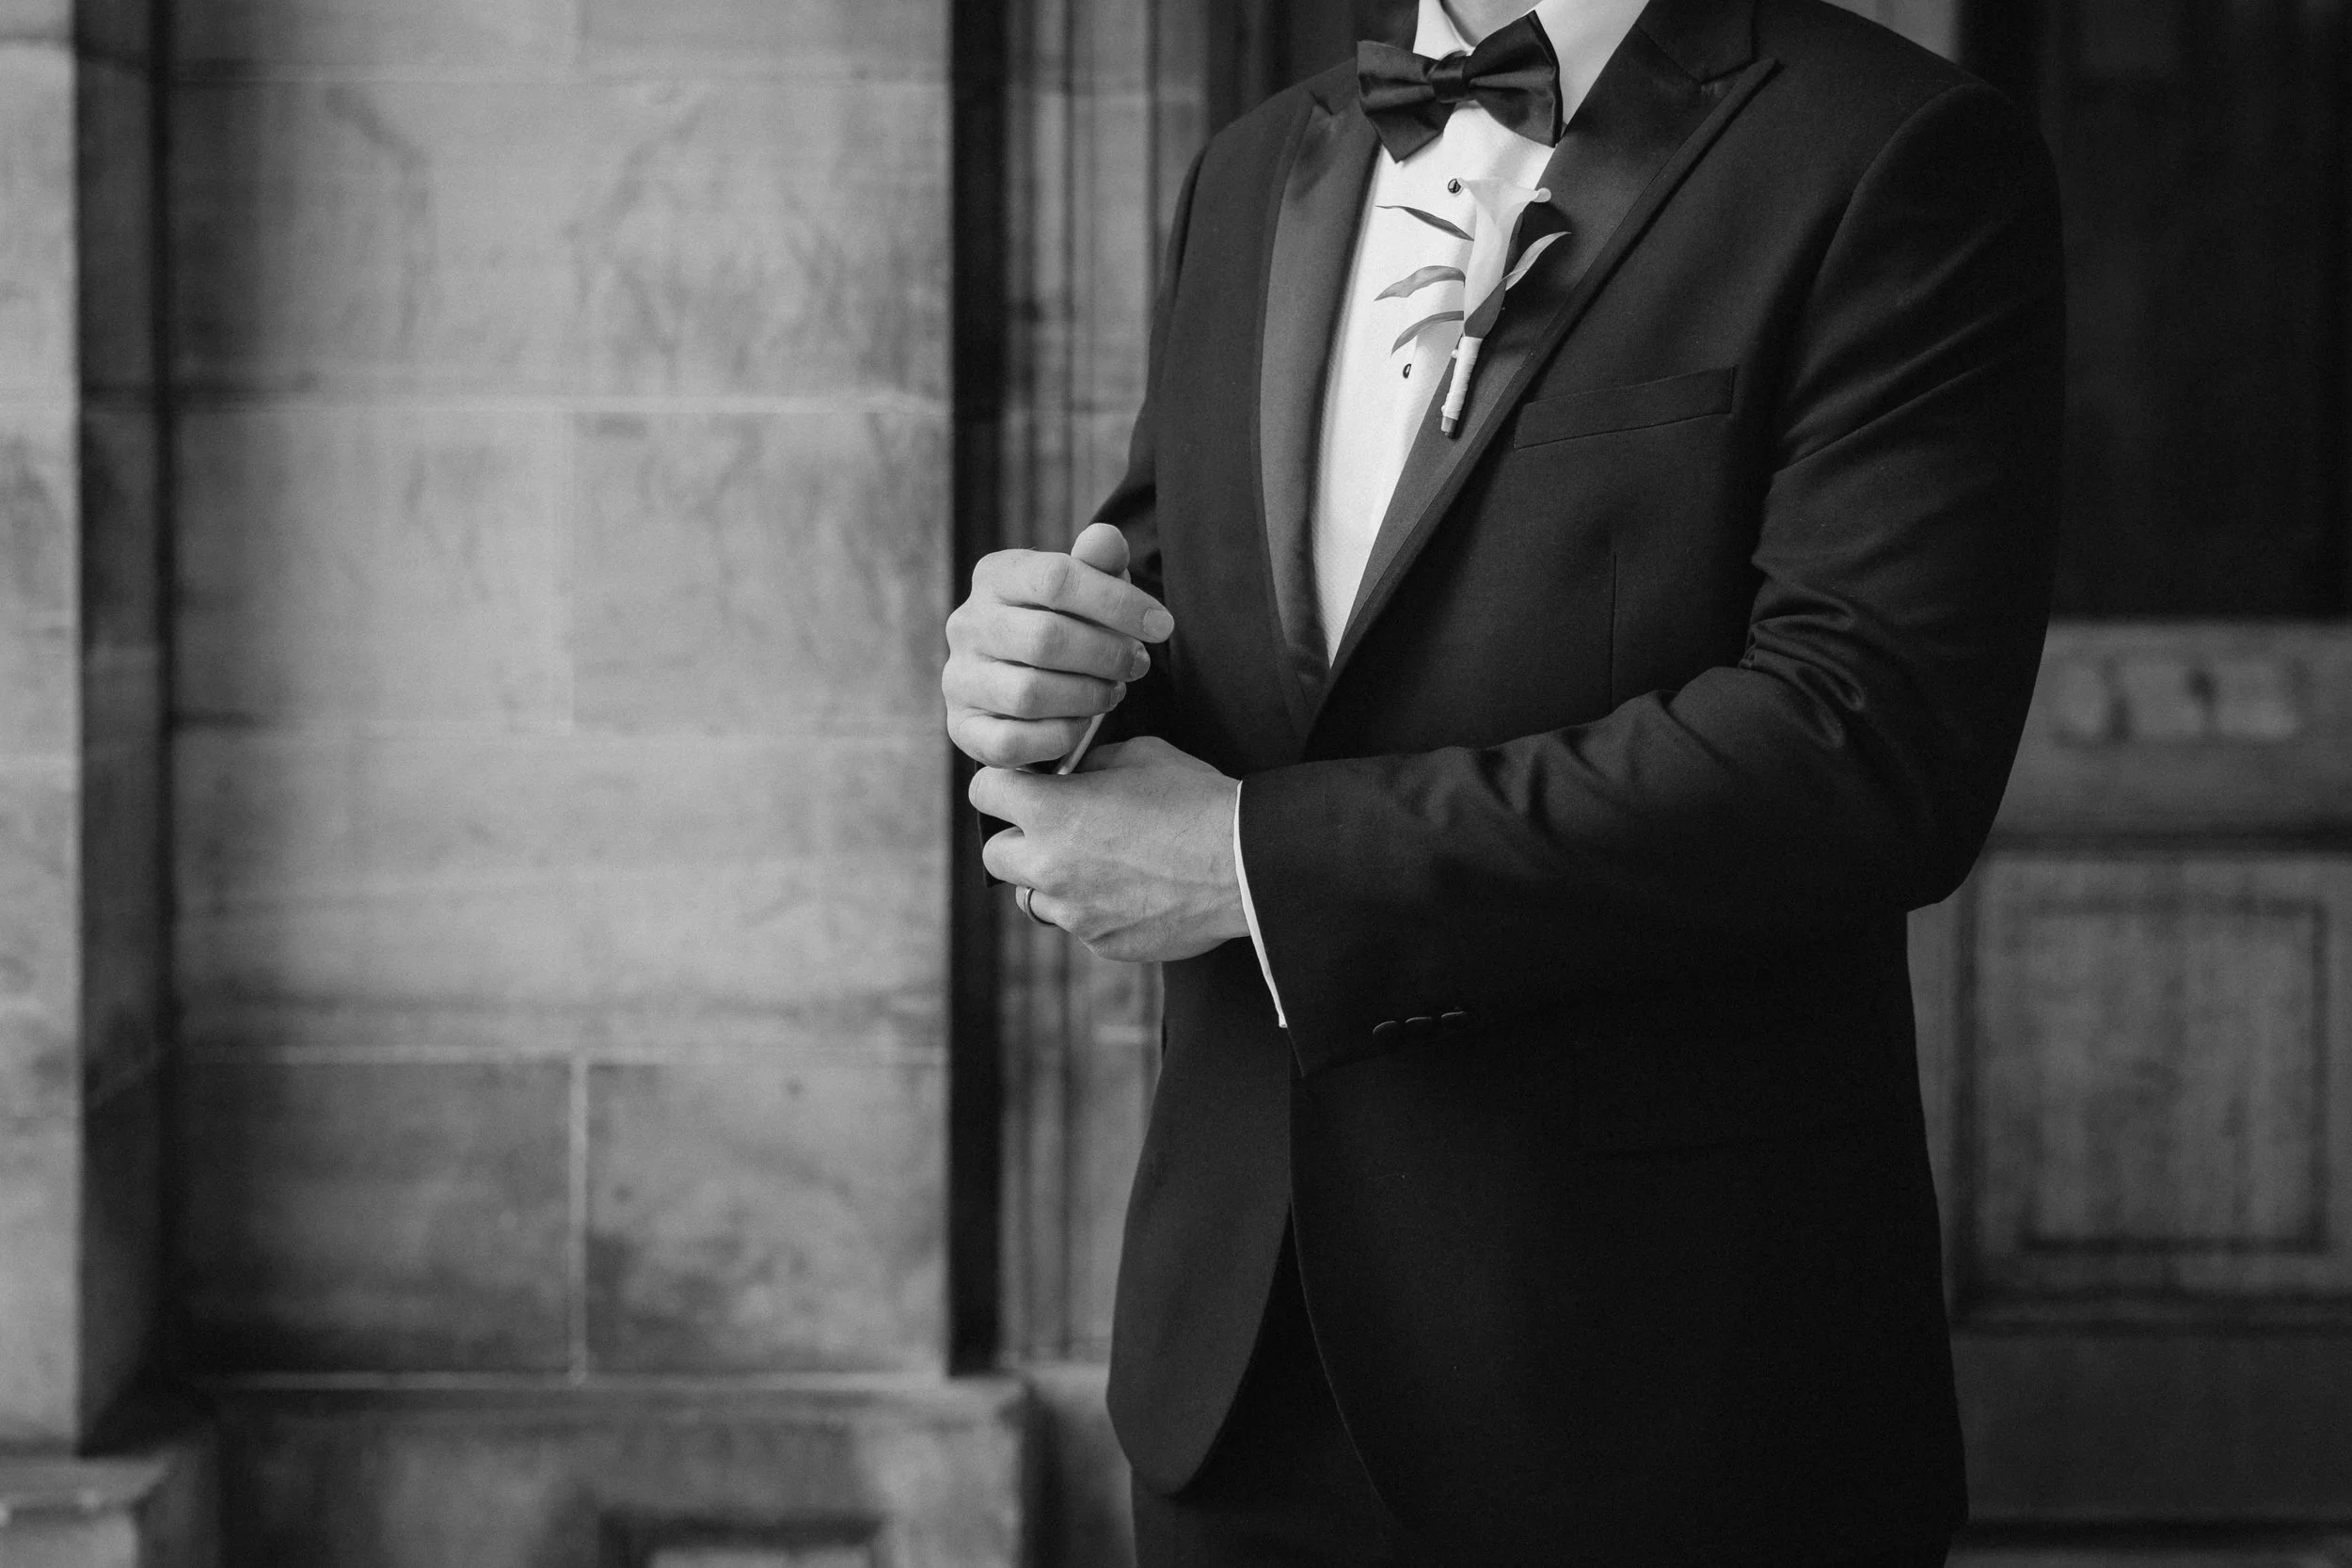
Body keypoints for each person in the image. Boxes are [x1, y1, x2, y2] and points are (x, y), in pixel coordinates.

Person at [941, 0, 2063, 1560]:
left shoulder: (1894, 150)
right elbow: (1188, 637)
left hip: (1658, 1378)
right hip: (1237, 1363)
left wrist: (1259, 866)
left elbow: (1865, 742)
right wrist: (1044, 680)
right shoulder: (1253, 166)